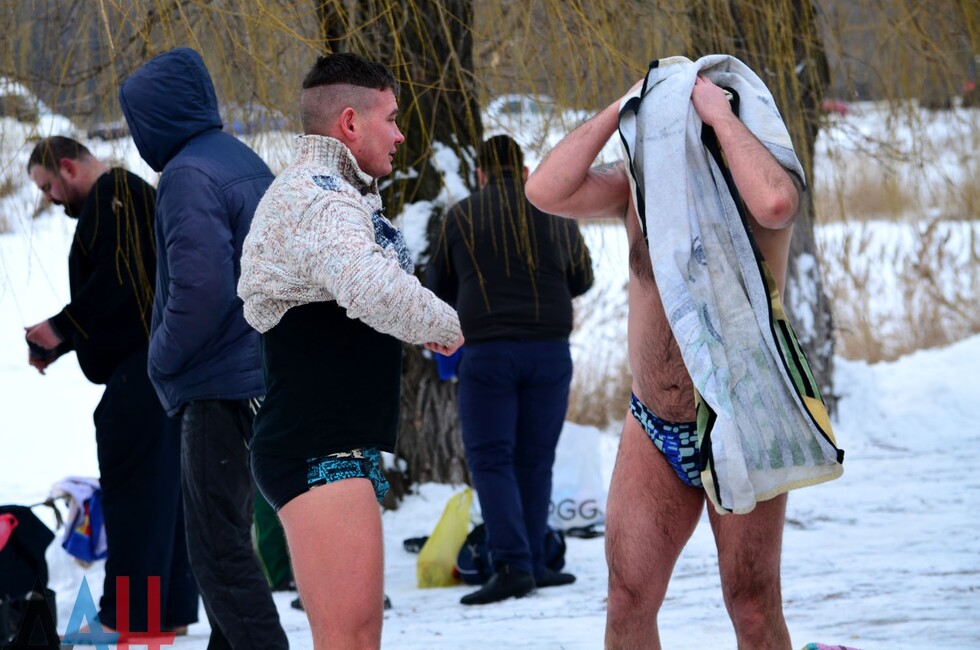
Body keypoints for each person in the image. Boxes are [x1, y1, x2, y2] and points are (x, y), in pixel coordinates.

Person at [525, 73, 803, 648]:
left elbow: (777, 204)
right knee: (627, 601)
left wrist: (717, 113)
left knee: (752, 607)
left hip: (743, 420)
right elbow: (544, 190)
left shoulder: (759, 178)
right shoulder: (640, 188)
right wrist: (620, 104)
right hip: (653, 421)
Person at [237, 52, 463, 649]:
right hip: (316, 447)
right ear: (350, 123)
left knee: (354, 638)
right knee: (350, 641)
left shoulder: (335, 195)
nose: (400, 134)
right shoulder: (319, 198)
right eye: (391, 118)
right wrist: (445, 322)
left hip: (329, 443)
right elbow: (369, 285)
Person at [118, 48, 288, 649]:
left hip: (219, 381)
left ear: (153, 118)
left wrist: (160, 357)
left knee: (218, 549)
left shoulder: (186, 175)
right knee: (226, 539)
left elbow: (201, 287)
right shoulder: (239, 158)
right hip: (261, 370)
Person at [24, 136, 198, 640]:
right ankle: (167, 610)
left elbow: (119, 280)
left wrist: (62, 325)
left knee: (134, 495)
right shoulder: (131, 196)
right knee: (165, 491)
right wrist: (62, 341)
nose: (49, 199)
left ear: (67, 167)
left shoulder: (113, 195)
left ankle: (126, 616)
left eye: (47, 186)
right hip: (162, 368)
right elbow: (131, 297)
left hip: (140, 374)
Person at [426, 135, 593, 605]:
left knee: (491, 458)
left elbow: (437, 285)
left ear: (480, 174)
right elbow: (583, 277)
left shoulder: (461, 216)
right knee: (536, 458)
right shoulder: (553, 211)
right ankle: (535, 561)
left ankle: (512, 566)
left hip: (489, 354)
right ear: (523, 172)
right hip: (550, 352)